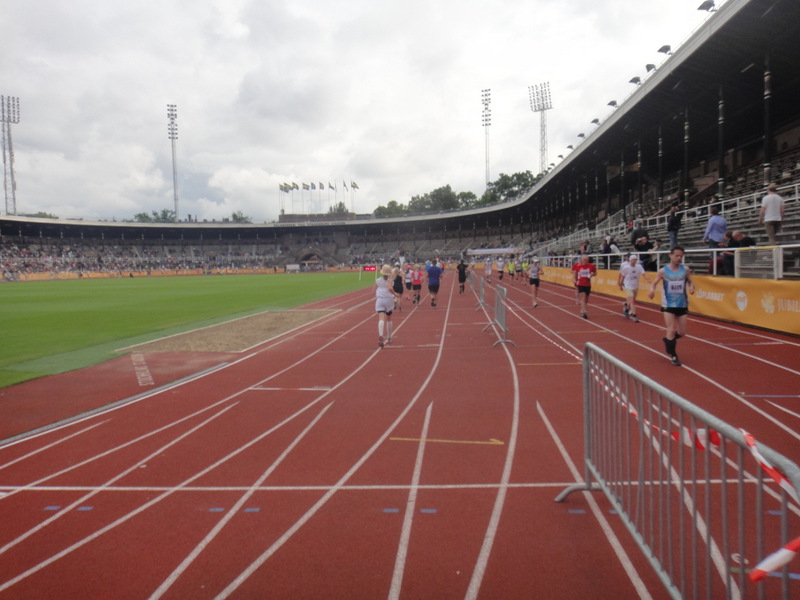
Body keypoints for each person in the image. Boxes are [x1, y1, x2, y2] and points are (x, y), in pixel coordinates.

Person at [648, 246, 695, 366]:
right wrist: (652, 290)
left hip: (682, 304)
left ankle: (669, 340)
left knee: (683, 332)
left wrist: (691, 287)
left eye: (681, 256)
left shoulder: (685, 269)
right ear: (670, 256)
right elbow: (654, 284)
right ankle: (674, 355)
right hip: (668, 304)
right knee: (671, 329)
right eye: (676, 256)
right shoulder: (663, 271)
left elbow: (690, 281)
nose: (679, 258)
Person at [618, 254, 652, 323]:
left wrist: (648, 279)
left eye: (636, 260)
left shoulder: (639, 267)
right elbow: (622, 277)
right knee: (632, 301)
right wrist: (621, 286)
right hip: (628, 286)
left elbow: (644, 274)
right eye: (633, 259)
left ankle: (626, 310)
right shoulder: (626, 268)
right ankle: (634, 316)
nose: (635, 261)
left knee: (632, 301)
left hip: (635, 286)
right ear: (630, 260)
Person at [375, 264, 400, 348]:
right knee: (389, 318)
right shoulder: (390, 280)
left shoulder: (378, 280)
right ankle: (389, 335)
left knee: (381, 318)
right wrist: (395, 294)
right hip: (388, 300)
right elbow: (390, 288)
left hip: (379, 300)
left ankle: (381, 335)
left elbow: (374, 288)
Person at [571, 254, 597, 319]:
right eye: (585, 259)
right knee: (583, 297)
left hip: (588, 284)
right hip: (580, 283)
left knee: (586, 299)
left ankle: (583, 309)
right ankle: (584, 311)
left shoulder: (591, 266)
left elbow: (595, 273)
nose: (586, 261)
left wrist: (592, 275)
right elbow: (575, 273)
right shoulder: (578, 266)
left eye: (587, 259)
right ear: (581, 260)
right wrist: (574, 279)